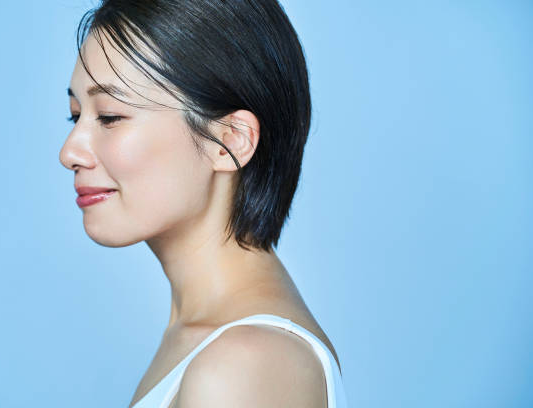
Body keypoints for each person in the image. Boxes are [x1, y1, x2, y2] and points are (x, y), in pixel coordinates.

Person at [59, 1, 348, 407]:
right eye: (76, 116)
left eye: (109, 116)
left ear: (230, 141)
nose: (69, 152)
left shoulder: (244, 366)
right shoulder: (207, 341)